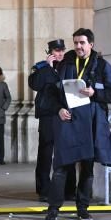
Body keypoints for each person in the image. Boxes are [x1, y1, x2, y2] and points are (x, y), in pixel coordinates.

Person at [44, 28, 111, 220]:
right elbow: (50, 93)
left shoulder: (102, 66)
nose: (78, 46)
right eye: (76, 42)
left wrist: (95, 93)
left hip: (90, 124)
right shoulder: (64, 64)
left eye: (82, 43)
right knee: (60, 167)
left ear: (91, 45)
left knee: (86, 168)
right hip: (67, 122)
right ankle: (53, 209)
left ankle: (83, 208)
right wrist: (59, 109)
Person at [29, 39, 76, 202]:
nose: (60, 54)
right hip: (48, 115)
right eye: (56, 51)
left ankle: (70, 190)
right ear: (49, 52)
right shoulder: (41, 67)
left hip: (66, 114)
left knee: (68, 152)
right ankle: (44, 190)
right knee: (46, 153)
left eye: (62, 50)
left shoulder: (70, 65)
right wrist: (48, 67)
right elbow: (34, 84)